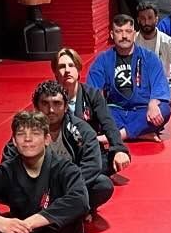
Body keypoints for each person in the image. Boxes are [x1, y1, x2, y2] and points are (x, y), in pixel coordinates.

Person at [24, 79, 114, 212]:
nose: (51, 110)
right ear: (36, 107)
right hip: (35, 187)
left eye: (57, 103)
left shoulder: (82, 130)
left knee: (102, 184)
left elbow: (92, 166)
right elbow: (9, 163)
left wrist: (63, 189)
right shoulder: (25, 131)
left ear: (66, 106)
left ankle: (74, 210)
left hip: (68, 187)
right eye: (45, 103)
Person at [86, 14, 171, 141]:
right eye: (119, 31)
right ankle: (140, 133)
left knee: (164, 110)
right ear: (112, 35)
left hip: (143, 111)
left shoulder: (150, 58)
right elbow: (92, 90)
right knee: (92, 113)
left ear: (134, 34)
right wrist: (91, 106)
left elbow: (160, 85)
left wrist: (153, 103)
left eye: (128, 31)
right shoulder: (103, 60)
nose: (124, 36)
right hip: (115, 111)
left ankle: (117, 135)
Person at [52, 47, 130, 173]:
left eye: (71, 65)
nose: (67, 70)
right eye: (62, 67)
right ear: (55, 73)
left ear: (78, 70)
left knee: (111, 162)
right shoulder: (50, 98)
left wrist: (119, 149)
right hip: (63, 152)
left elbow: (109, 124)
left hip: (88, 151)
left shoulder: (92, 95)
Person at [135, 3, 171, 106]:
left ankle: (154, 101)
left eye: (150, 18)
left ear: (156, 19)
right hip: (138, 86)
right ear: (138, 20)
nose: (146, 22)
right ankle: (159, 102)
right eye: (143, 18)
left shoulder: (167, 41)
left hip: (162, 84)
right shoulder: (133, 41)